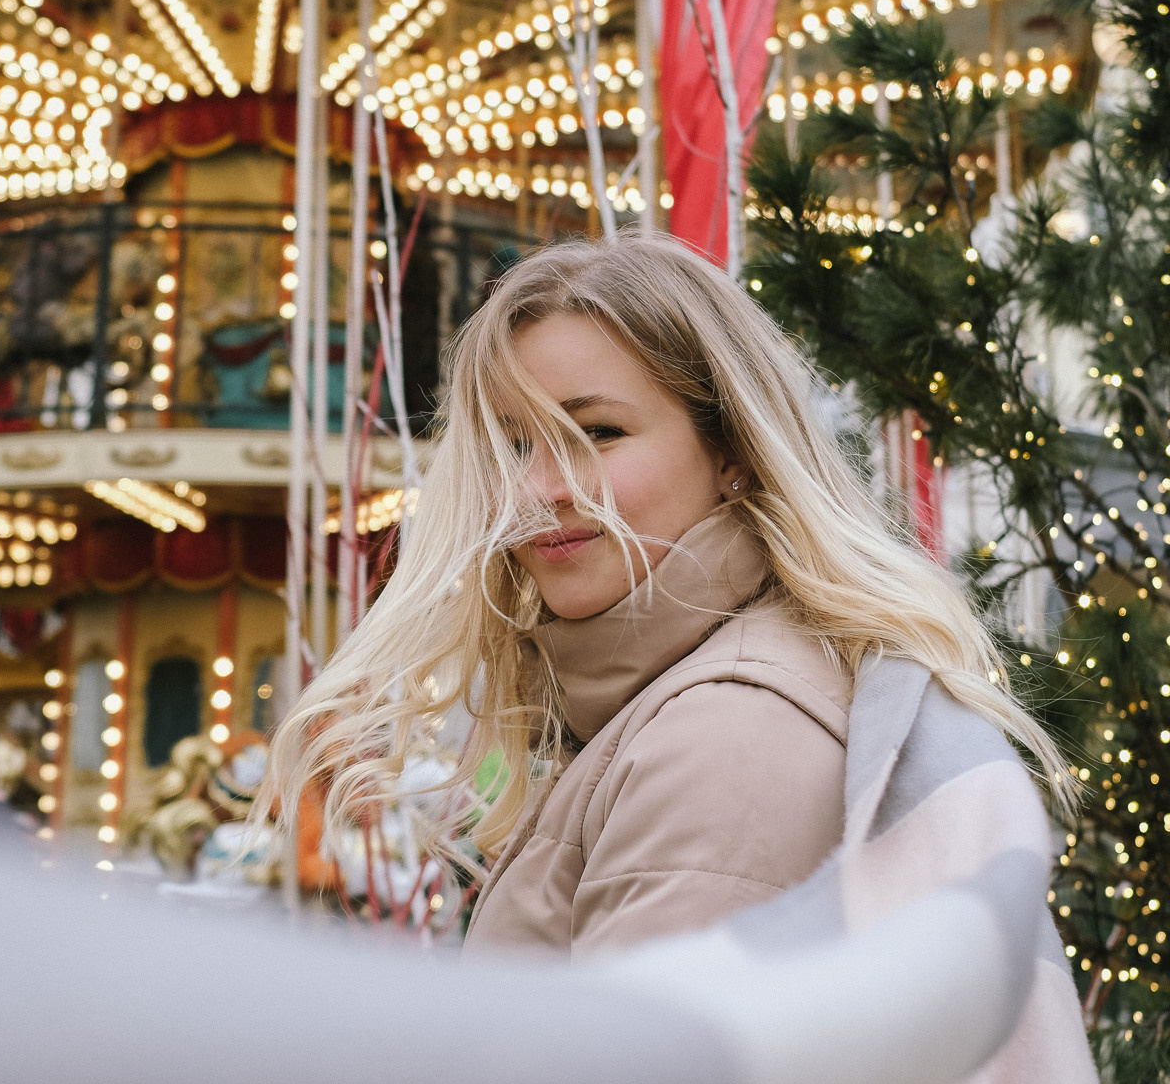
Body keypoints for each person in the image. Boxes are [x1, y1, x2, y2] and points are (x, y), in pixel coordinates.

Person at [265, 233, 1069, 952]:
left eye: (599, 434)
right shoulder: (648, 703)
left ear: (733, 449)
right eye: (514, 445)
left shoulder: (725, 730)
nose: (537, 488)